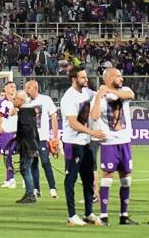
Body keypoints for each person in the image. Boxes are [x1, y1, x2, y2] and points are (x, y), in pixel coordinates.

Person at [91, 67, 137, 225]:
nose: (122, 79)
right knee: (107, 178)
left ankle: (124, 215)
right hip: (109, 143)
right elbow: (95, 116)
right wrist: (98, 95)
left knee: (126, 180)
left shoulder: (124, 90)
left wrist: (110, 90)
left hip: (125, 142)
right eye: (118, 76)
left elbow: (130, 95)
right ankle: (103, 216)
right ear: (109, 78)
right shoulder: (100, 97)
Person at [61, 65, 106, 226]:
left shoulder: (86, 92)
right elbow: (73, 123)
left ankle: (89, 213)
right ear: (74, 79)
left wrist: (103, 90)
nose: (86, 79)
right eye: (83, 77)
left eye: (86, 76)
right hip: (72, 144)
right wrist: (93, 132)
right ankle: (71, 215)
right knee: (70, 179)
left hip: (85, 143)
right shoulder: (68, 98)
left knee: (88, 179)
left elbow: (100, 95)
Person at [24, 80, 60, 199]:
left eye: (28, 88)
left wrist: (55, 137)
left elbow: (53, 117)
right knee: (33, 164)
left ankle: (52, 188)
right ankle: (36, 189)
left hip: (42, 137)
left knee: (45, 162)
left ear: (35, 88)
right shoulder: (26, 102)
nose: (26, 90)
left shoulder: (46, 100)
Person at [11, 91, 39, 204]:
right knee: (26, 169)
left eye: (15, 99)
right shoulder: (30, 111)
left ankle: (31, 194)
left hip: (27, 145)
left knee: (26, 169)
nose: (13, 101)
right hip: (31, 144)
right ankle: (29, 192)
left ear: (21, 100)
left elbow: (25, 129)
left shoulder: (23, 112)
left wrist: (17, 139)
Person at [0, 81, 17, 189]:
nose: (13, 88)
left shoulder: (18, 102)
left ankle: (11, 179)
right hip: (1, 133)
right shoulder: (1, 103)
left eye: (14, 86)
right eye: (11, 86)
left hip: (10, 133)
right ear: (5, 90)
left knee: (8, 156)